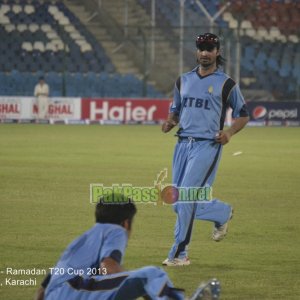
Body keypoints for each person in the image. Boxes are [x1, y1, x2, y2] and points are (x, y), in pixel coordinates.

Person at [161, 33, 249, 266]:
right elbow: (176, 108)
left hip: (207, 145)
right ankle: (221, 212)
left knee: (186, 198)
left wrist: (228, 133)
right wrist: (170, 121)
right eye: (201, 48)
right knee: (178, 202)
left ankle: (180, 254)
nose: (204, 53)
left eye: (209, 48)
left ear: (217, 52)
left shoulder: (226, 83)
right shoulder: (183, 80)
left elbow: (243, 114)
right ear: (196, 51)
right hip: (182, 145)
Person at [34, 193, 221, 300]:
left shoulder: (79, 242)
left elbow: (43, 289)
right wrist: (131, 283)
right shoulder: (115, 230)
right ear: (126, 223)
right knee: (151, 275)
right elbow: (107, 265)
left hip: (58, 293)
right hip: (73, 292)